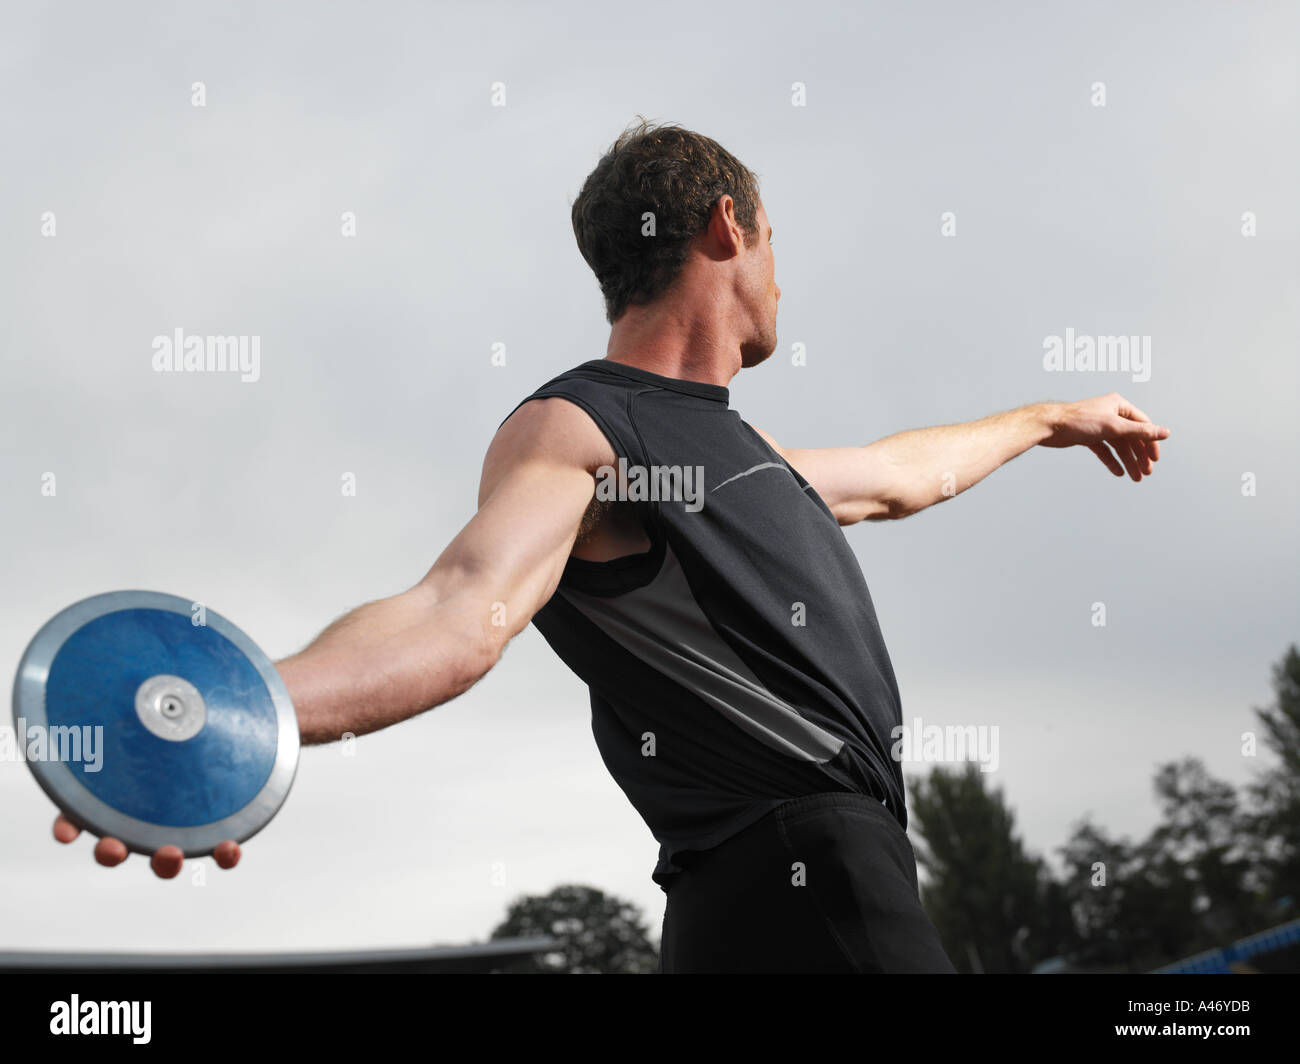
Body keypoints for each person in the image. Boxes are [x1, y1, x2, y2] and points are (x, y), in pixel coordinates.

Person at [54, 119, 1170, 973]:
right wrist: (230, 711)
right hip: (805, 872)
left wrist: (1046, 419)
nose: (782, 277)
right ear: (728, 226)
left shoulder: (735, 457)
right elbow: (459, 606)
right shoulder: (584, 427)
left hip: (758, 894)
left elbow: (894, 476)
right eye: (775, 242)